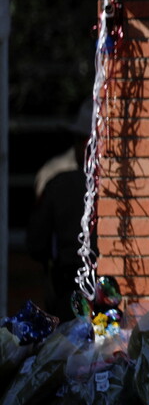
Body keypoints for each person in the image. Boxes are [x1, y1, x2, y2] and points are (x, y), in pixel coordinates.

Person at [27, 99, 95, 321]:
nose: (75, 147)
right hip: (108, 293)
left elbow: (36, 244)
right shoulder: (121, 189)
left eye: (78, 140)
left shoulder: (58, 185)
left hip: (68, 293)